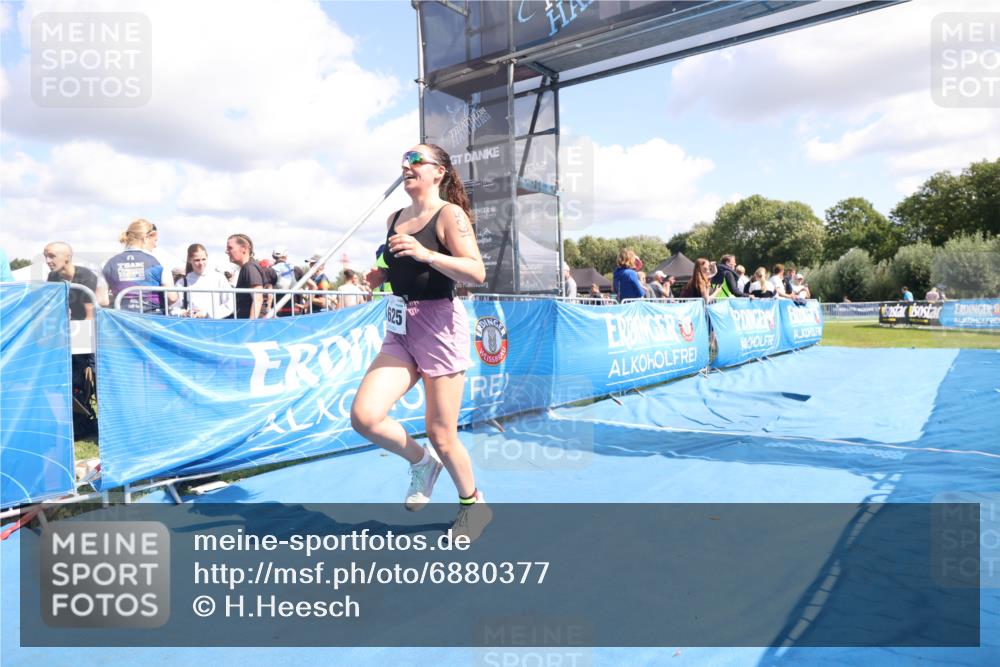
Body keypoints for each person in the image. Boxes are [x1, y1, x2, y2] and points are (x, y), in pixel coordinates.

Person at [350, 143, 490, 542]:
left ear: (438, 172)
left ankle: (473, 504)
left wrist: (427, 253)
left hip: (439, 325)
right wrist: (379, 277)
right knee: (365, 415)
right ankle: (422, 464)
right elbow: (390, 263)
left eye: (416, 161)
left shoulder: (450, 214)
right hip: (400, 325)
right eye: (404, 162)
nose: (407, 167)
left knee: (442, 433)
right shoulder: (395, 217)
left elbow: (476, 271)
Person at [103, 219, 175, 314]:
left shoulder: (107, 263)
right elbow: (172, 297)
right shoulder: (159, 262)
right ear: (147, 237)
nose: (155, 245)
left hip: (121, 321)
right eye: (155, 240)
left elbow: (102, 300)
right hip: (153, 321)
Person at [171, 244, 234, 319]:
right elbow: (173, 308)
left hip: (215, 326)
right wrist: (184, 313)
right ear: (189, 260)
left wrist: (207, 314)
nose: (201, 263)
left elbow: (230, 304)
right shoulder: (182, 283)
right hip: (191, 326)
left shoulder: (219, 278)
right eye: (197, 260)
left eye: (203, 259)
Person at [44, 242, 99, 320]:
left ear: (68, 257)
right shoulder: (52, 276)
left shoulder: (86, 276)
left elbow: (90, 317)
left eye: (52, 256)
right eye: (45, 256)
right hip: (66, 323)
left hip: (86, 325)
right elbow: (52, 307)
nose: (47, 261)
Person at [225, 234, 265, 319]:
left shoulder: (250, 267)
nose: (226, 251)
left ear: (243, 249)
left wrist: (251, 326)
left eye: (230, 248)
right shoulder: (248, 267)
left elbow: (258, 299)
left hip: (252, 325)